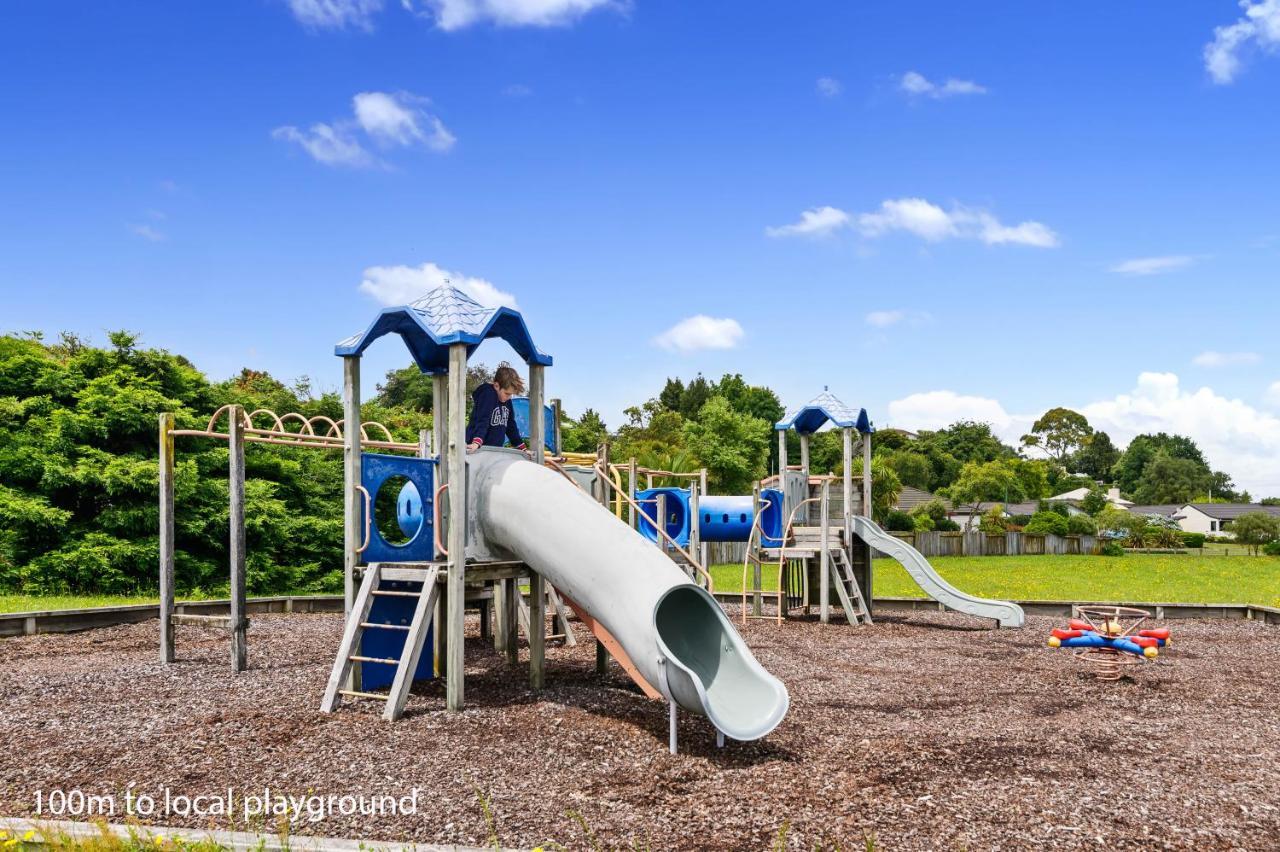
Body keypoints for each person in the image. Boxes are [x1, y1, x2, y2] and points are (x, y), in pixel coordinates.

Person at [466, 363, 529, 454]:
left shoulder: (507, 400)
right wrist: (476, 442)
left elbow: (510, 425)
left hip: (493, 450)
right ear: (496, 386)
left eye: (511, 394)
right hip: (476, 447)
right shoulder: (488, 394)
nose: (509, 397)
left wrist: (523, 449)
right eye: (507, 393)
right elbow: (483, 419)